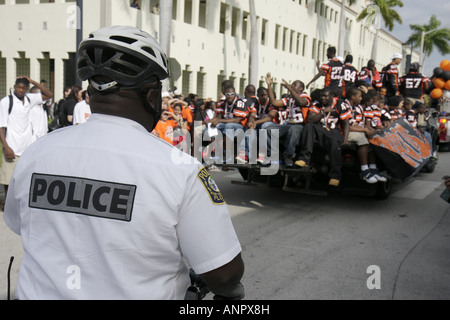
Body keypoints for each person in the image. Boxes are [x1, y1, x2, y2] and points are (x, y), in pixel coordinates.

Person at [4, 26, 244, 300]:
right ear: (151, 95)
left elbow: (18, 222)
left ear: (91, 93)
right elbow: (225, 275)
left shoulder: (37, 153)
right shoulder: (181, 169)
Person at [0, 76, 53, 199]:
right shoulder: (6, 102)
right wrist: (6, 147)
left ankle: (20, 204)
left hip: (26, 148)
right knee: (9, 180)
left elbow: (49, 94)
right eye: (18, 87)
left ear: (27, 89)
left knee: (24, 180)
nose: (20, 90)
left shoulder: (29, 98)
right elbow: (1, 127)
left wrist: (33, 81)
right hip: (12, 147)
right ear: (14, 87)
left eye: (23, 88)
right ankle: (7, 205)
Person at [295, 87, 351, 187]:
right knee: (309, 126)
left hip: (334, 130)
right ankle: (304, 159)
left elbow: (346, 123)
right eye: (322, 96)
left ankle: (335, 176)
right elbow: (311, 119)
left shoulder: (341, 104)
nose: (323, 98)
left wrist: (345, 139)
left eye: (325, 96)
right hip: (320, 129)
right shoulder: (317, 104)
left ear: (332, 96)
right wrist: (322, 112)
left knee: (334, 143)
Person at [266, 74, 311, 167]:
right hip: (287, 124)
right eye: (292, 84)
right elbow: (274, 102)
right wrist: (269, 85)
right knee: (268, 128)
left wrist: (289, 88)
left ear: (301, 88)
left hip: (300, 125)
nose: (292, 86)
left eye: (295, 85)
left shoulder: (305, 96)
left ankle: (288, 156)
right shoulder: (289, 99)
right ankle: (274, 155)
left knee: (293, 130)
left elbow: (301, 102)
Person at [344, 88, 386, 184]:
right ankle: (364, 170)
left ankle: (373, 168)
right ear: (352, 97)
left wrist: (372, 131)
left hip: (357, 130)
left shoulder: (358, 107)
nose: (361, 98)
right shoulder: (345, 106)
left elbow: (363, 125)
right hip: (345, 133)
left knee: (373, 138)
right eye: (359, 96)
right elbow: (348, 127)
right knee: (362, 138)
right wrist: (365, 130)